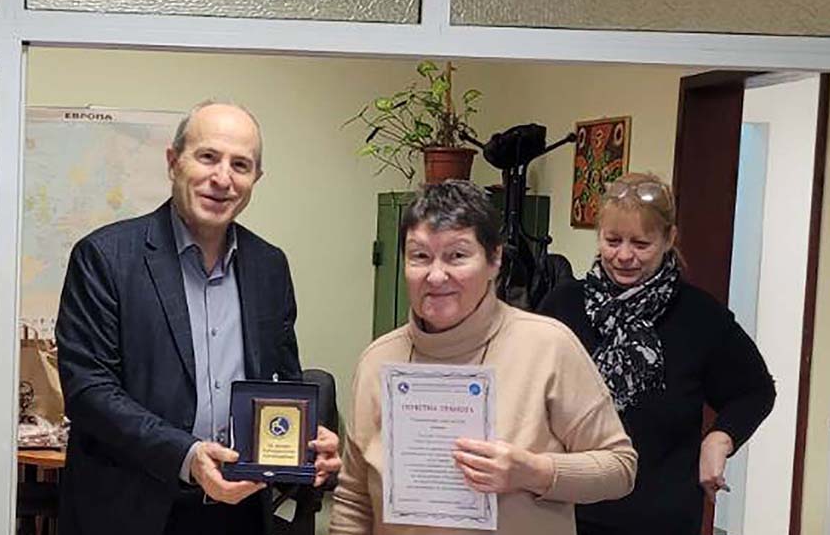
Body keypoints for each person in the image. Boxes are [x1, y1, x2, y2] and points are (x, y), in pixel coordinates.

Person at [56, 101, 341, 535]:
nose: (222, 179)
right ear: (173, 162)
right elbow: (89, 391)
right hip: (133, 511)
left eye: (240, 165)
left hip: (240, 514)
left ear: (256, 178)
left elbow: (281, 384)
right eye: (208, 157)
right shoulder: (105, 258)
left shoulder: (269, 267)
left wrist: (306, 445)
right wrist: (188, 457)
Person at [330, 180, 637, 535]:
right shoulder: (378, 361)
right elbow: (354, 498)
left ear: (494, 260)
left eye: (457, 256)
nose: (436, 275)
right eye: (420, 257)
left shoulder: (548, 346)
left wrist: (533, 472)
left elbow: (620, 468)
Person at [539, 172, 776, 535]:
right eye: (612, 241)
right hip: (566, 511)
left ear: (669, 239)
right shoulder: (563, 304)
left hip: (660, 517)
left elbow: (755, 391)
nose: (624, 256)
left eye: (641, 244)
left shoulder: (701, 317)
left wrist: (719, 439)